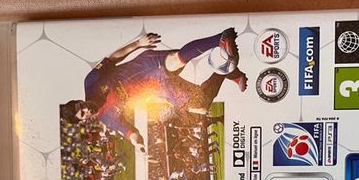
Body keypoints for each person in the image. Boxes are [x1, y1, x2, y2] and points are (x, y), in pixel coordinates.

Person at [61, 29, 247, 152]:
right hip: (160, 89)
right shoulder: (107, 119)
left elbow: (112, 59)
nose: (86, 108)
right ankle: (228, 72)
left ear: (79, 100)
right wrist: (137, 143)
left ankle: (221, 39)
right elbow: (129, 132)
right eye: (82, 113)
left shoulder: (91, 82)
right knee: (202, 106)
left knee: (175, 60)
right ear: (84, 120)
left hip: (147, 66)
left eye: (81, 105)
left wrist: (138, 43)